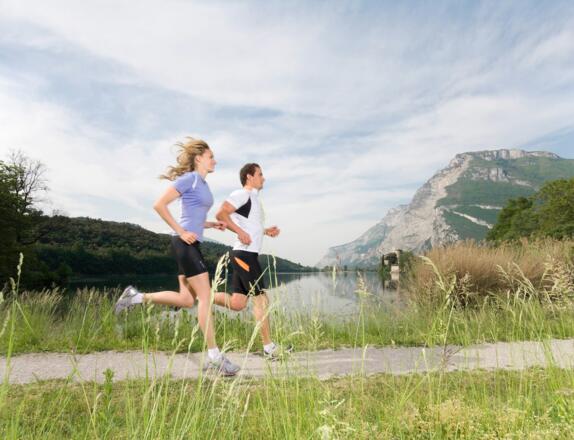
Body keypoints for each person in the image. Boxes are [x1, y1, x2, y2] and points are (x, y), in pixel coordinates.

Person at [114, 137, 240, 376]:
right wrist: (182, 232)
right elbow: (159, 205)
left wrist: (210, 224)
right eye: (211, 156)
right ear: (199, 158)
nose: (215, 160)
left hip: (191, 243)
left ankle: (135, 297)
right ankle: (215, 358)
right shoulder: (189, 179)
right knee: (205, 297)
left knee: (186, 300)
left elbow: (192, 216)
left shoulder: (203, 184)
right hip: (184, 244)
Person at [213, 163, 288, 359]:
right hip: (244, 254)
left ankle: (201, 295)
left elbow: (249, 226)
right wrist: (239, 232)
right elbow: (221, 214)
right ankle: (269, 348)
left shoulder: (252, 199)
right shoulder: (242, 194)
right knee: (261, 299)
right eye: (260, 174)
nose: (263, 178)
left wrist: (264, 231)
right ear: (249, 176)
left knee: (237, 303)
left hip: (247, 254)